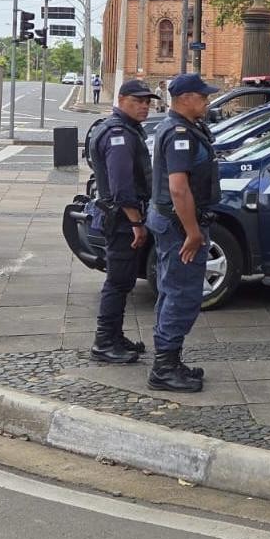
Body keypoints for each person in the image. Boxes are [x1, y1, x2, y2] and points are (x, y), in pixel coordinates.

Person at [146, 72, 221, 393]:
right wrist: (192, 233)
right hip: (180, 227)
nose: (207, 101)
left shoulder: (184, 128)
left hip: (172, 224)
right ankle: (163, 368)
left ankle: (170, 359)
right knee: (182, 293)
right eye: (203, 96)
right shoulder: (179, 133)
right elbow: (179, 189)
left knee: (171, 290)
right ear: (186, 98)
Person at [88, 80, 160, 364]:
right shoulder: (119, 134)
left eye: (147, 101)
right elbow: (121, 187)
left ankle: (114, 336)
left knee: (124, 281)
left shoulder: (125, 130)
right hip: (121, 220)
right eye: (138, 100)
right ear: (121, 99)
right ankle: (104, 342)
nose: (144, 106)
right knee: (118, 283)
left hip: (120, 218)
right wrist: (137, 222)